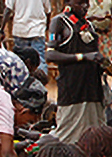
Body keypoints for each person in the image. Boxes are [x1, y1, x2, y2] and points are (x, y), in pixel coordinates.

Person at [46, 0, 107, 143]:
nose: (85, 6)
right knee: (68, 134)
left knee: (95, 133)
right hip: (72, 88)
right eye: (80, 3)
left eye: (87, 2)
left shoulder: (88, 25)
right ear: (68, 2)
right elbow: (50, 55)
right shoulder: (60, 22)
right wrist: (83, 57)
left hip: (92, 89)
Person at [0, 0, 51, 75]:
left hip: (20, 29)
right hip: (37, 29)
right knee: (39, 58)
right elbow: (48, 11)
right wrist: (47, 25)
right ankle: (41, 81)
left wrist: (2, 28)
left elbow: (8, 10)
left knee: (21, 60)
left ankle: (22, 81)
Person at [86, 0, 112, 66]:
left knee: (108, 61)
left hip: (105, 35)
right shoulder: (88, 2)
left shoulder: (108, 1)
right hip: (91, 34)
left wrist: (109, 18)